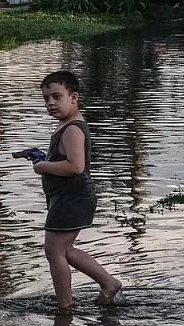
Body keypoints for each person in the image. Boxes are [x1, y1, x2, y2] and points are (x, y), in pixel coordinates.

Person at [18, 71, 122, 311]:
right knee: (63, 249)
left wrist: (43, 166)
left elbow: (76, 166)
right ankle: (108, 283)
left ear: (74, 98)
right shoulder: (65, 126)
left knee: (54, 250)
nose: (50, 103)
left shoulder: (73, 129)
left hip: (72, 198)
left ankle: (65, 306)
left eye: (57, 96)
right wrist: (46, 160)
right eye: (46, 99)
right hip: (67, 198)